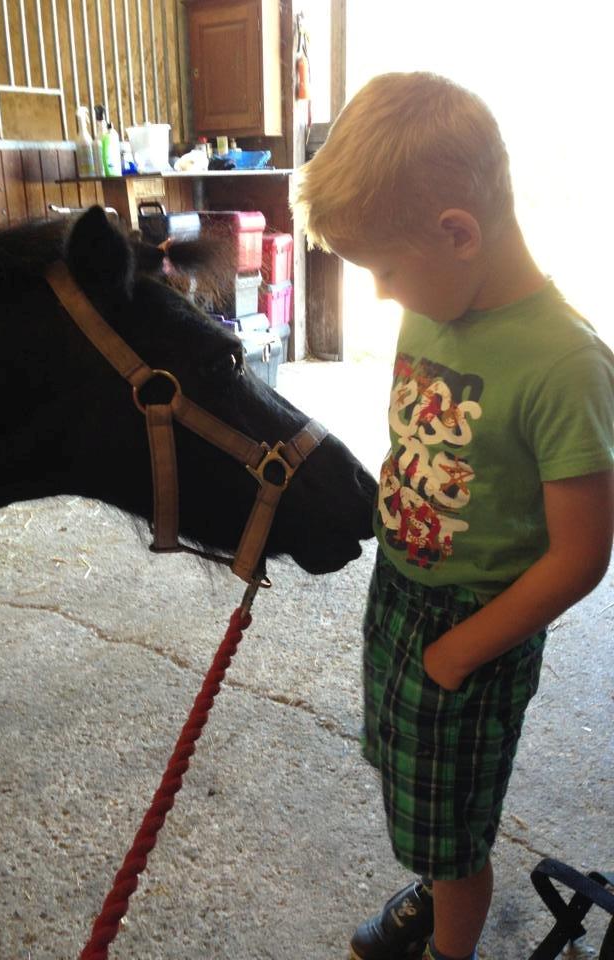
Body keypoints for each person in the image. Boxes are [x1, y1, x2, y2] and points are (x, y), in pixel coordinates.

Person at [293, 72, 614, 960]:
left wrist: (463, 650)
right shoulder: (442, 302)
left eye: (386, 272)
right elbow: (418, 441)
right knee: (411, 781)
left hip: (478, 624)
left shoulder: (566, 365)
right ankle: (436, 887)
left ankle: (450, 935)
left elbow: (582, 557)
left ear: (458, 234)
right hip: (402, 590)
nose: (385, 295)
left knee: (458, 827)